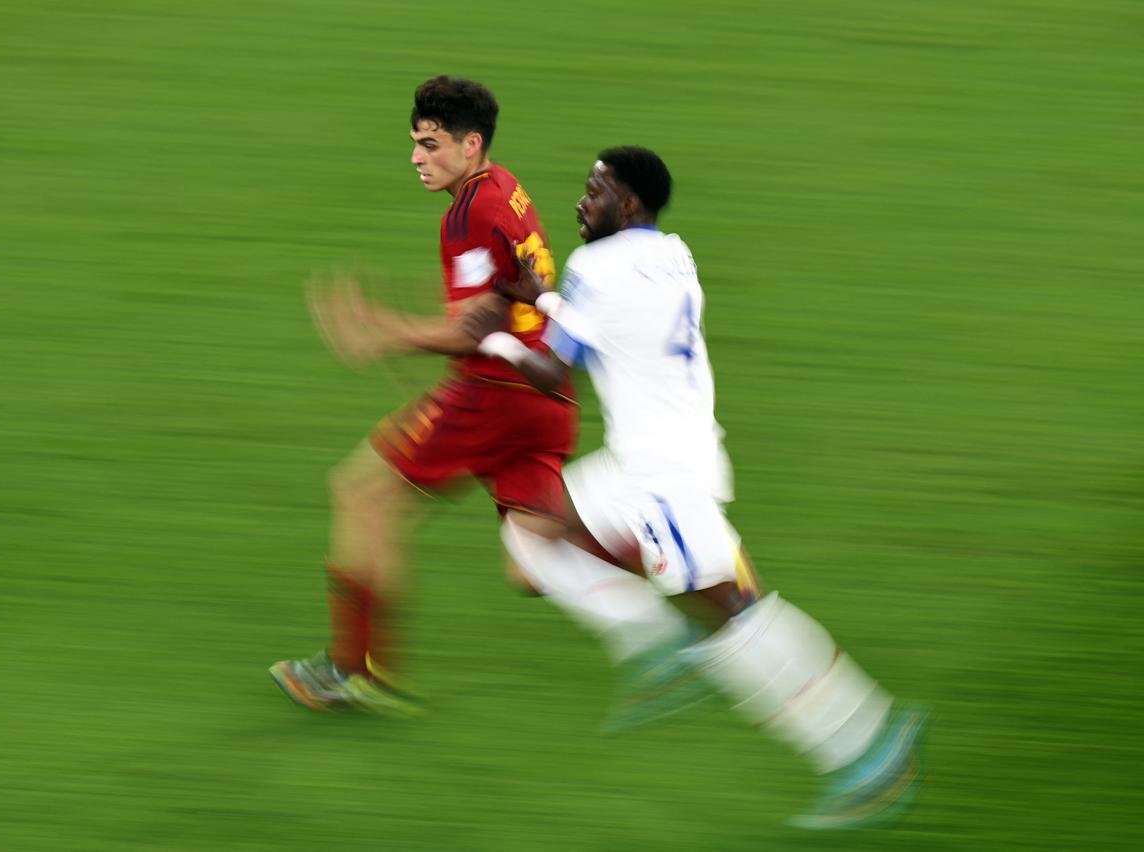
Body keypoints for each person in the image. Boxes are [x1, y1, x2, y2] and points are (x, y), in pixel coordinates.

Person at [465, 146, 926, 828]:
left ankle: (867, 745)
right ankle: (651, 640)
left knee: (739, 617)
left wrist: (496, 340)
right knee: (530, 543)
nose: (580, 203)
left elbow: (553, 372)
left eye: (595, 192)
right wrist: (546, 298)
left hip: (660, 481)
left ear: (629, 204)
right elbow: (612, 323)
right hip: (649, 462)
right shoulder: (673, 255)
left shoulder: (596, 267)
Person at [269, 78, 684, 716]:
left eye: (431, 145)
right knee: (534, 561)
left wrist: (380, 331)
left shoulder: (469, 212)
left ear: (471, 144)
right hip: (547, 396)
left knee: (362, 493)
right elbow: (498, 302)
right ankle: (682, 565)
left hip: (496, 394)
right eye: (414, 144)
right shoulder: (505, 189)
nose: (417, 157)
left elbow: (476, 327)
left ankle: (353, 670)